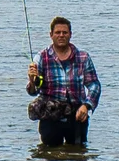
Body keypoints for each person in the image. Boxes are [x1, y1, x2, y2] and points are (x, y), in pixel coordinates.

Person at [27, 15, 100, 147]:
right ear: (51, 35)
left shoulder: (83, 57)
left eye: (65, 32)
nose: (61, 35)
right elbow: (34, 90)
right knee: (49, 157)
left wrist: (87, 105)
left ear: (70, 35)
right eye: (58, 32)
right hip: (50, 116)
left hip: (77, 115)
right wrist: (33, 81)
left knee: (79, 156)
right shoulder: (41, 57)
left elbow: (94, 85)